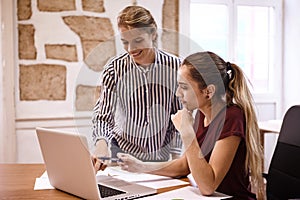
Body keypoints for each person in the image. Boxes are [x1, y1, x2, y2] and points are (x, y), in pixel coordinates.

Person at [116, 51, 264, 199]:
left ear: (208, 92)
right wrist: (140, 166)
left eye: (184, 87)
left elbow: (208, 186)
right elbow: (184, 165)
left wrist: (187, 133)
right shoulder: (201, 113)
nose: (177, 93)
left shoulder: (231, 117)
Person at [91, 5, 182, 165]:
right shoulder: (114, 69)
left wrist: (177, 162)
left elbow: (178, 117)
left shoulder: (175, 67)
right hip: (120, 154)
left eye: (138, 40)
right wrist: (101, 145)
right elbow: (104, 116)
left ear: (153, 33)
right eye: (125, 42)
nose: (131, 49)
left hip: (160, 158)